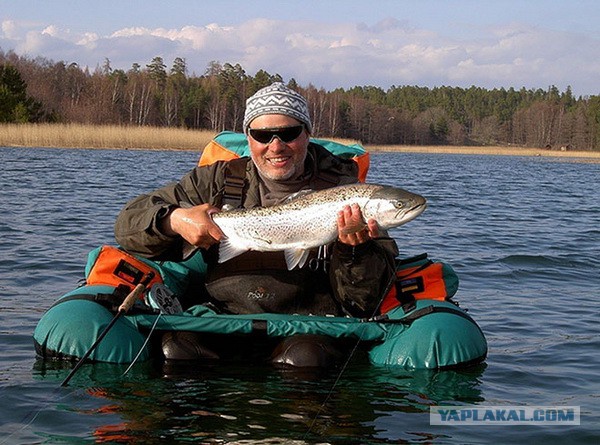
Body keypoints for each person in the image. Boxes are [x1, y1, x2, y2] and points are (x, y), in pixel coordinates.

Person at [114, 82, 398, 367]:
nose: (276, 146)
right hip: (225, 319)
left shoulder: (347, 194)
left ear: (308, 134)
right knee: (176, 351)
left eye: (289, 133)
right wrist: (173, 219)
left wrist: (355, 253)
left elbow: (365, 301)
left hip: (312, 328)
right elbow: (128, 223)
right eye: (263, 135)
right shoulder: (216, 180)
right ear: (248, 137)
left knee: (304, 359)